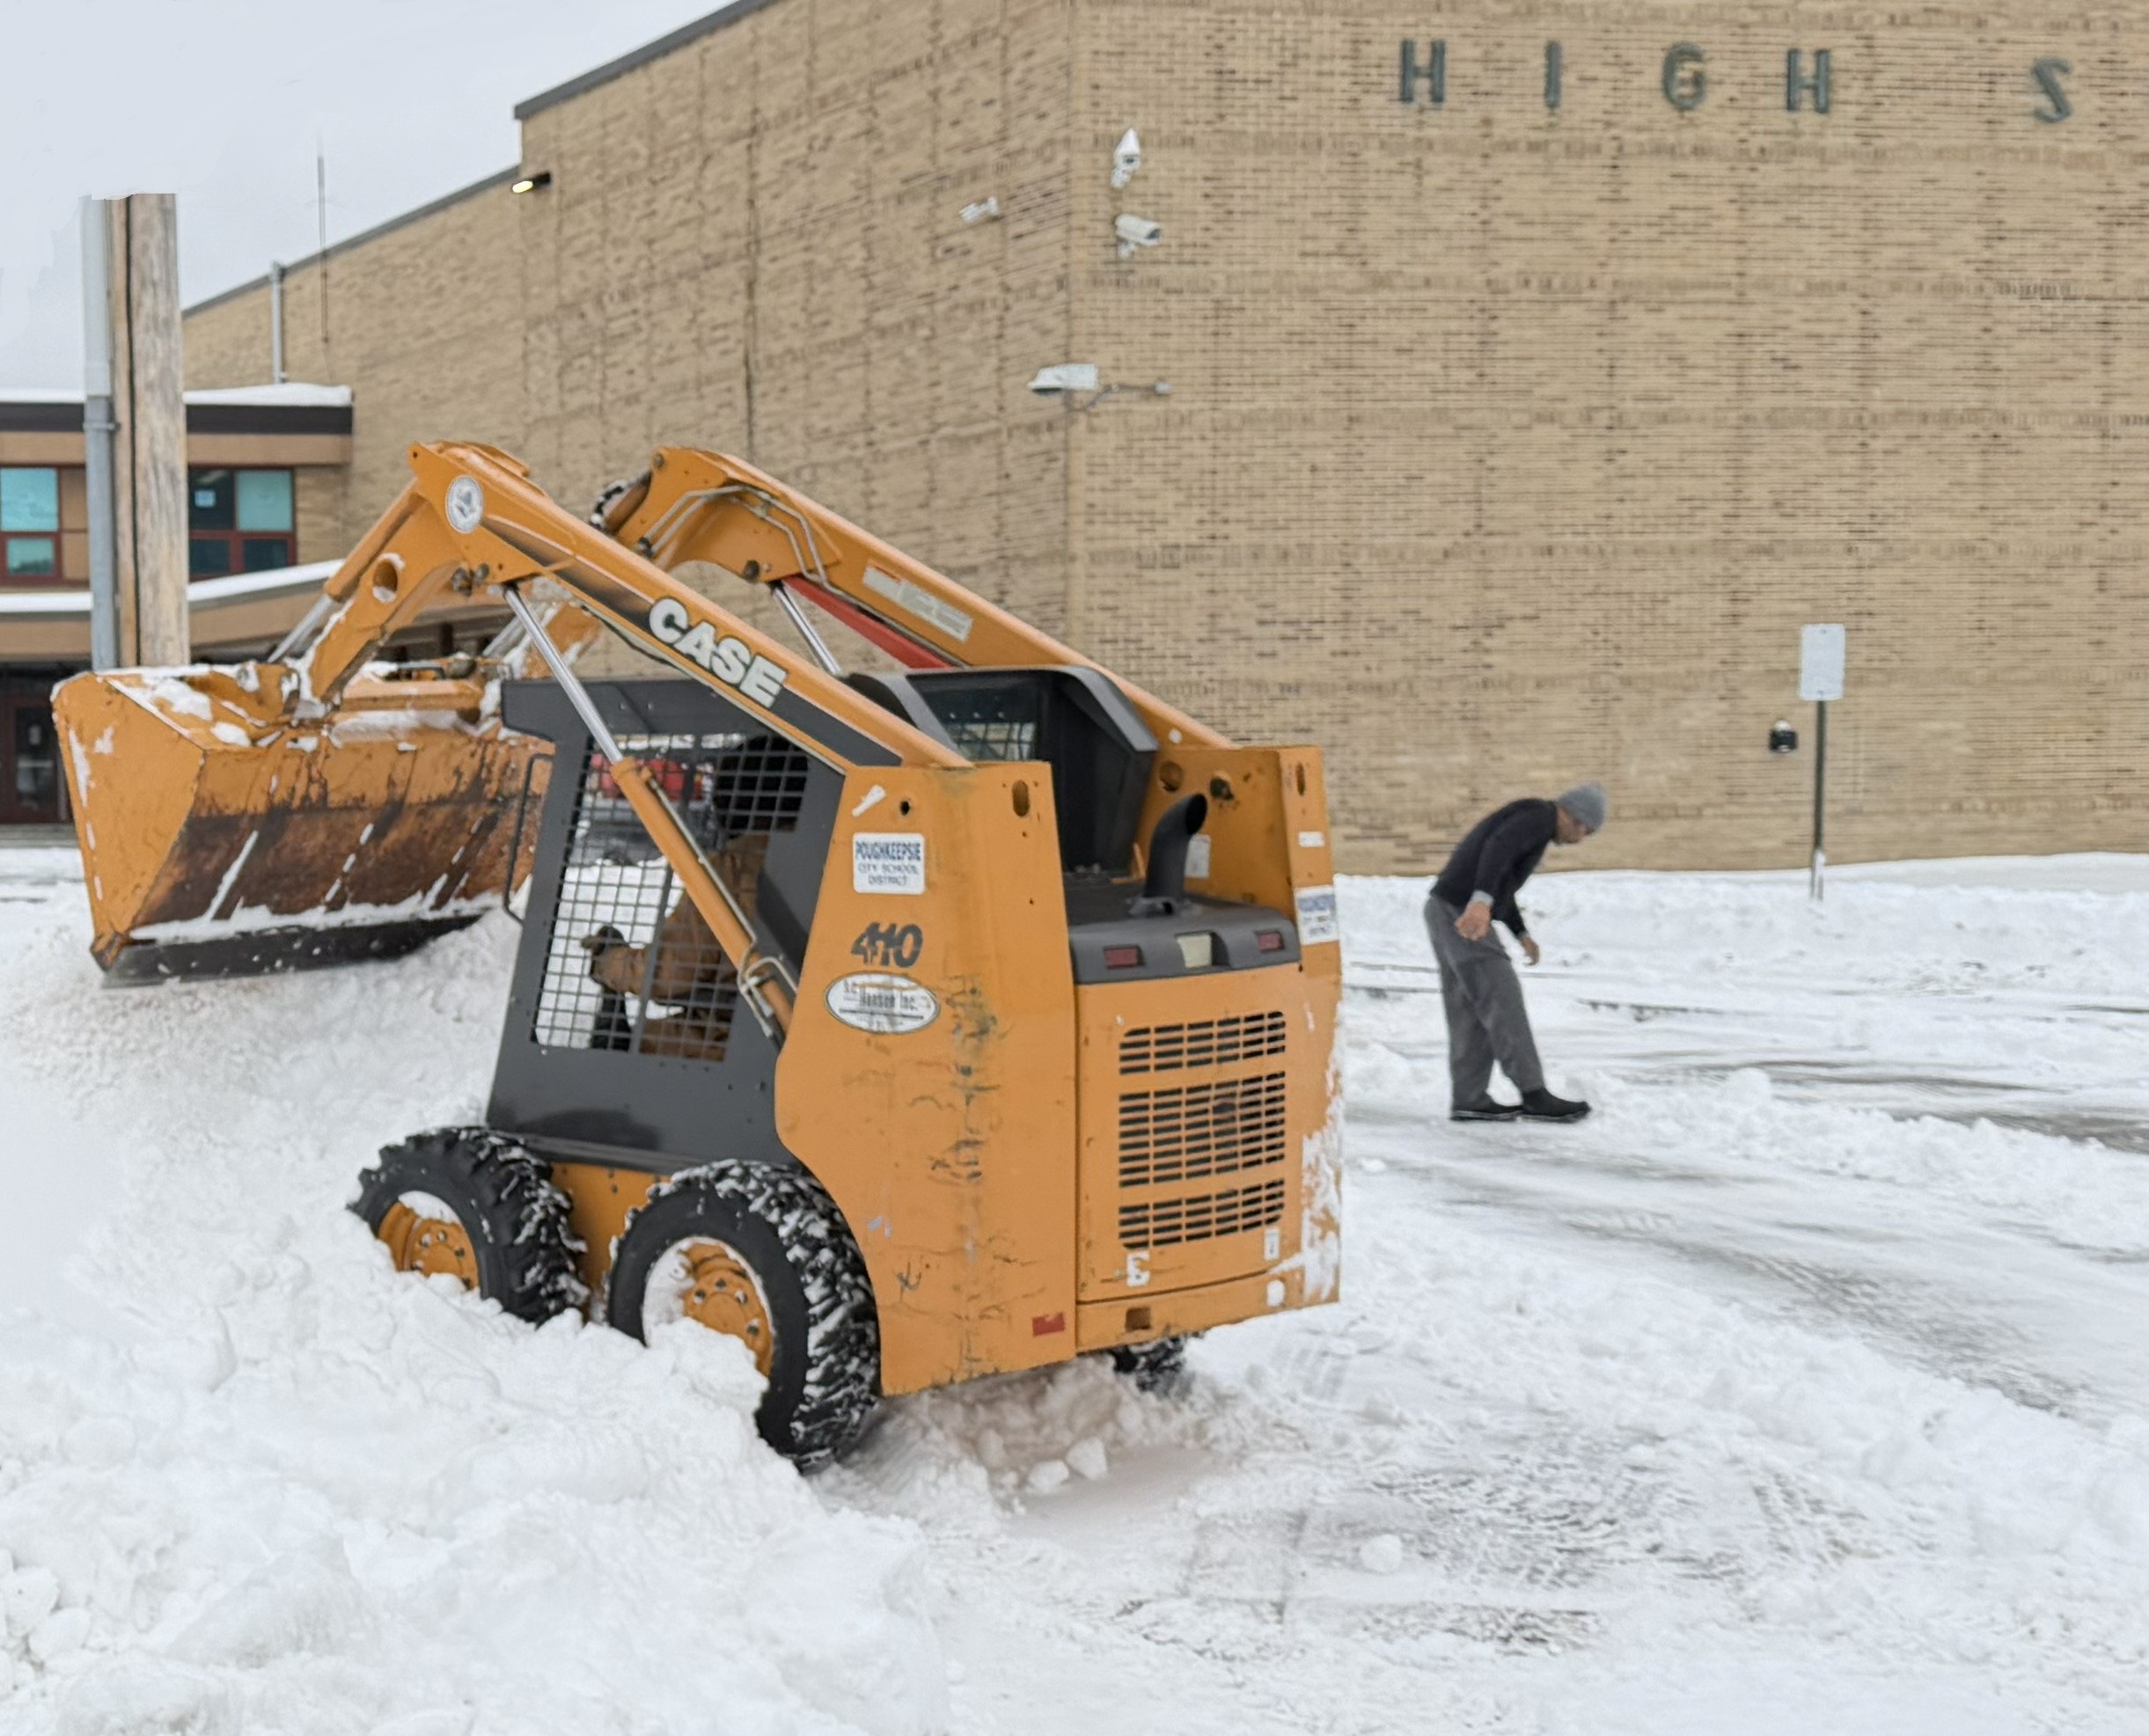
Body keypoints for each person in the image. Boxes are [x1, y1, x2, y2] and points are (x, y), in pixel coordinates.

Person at [1426, 783, 1606, 1124]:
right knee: (1501, 996)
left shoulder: (1533, 822)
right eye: (1584, 827)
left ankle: (1470, 1098)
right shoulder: (1539, 816)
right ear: (1572, 813)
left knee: (1469, 1007)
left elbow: (1501, 881)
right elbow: (1499, 848)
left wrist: (1520, 932)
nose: (1581, 837)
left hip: (1443, 908)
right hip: (1462, 912)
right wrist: (1480, 902)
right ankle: (1533, 1093)